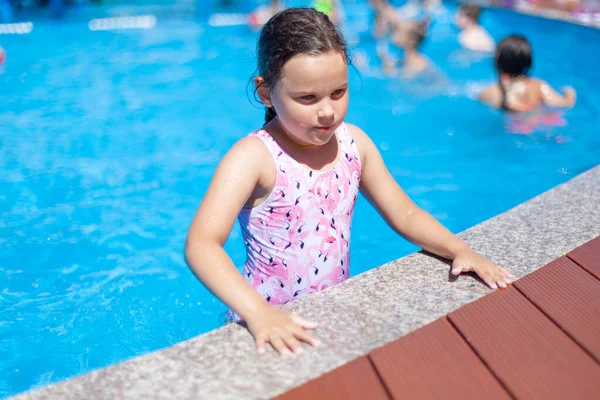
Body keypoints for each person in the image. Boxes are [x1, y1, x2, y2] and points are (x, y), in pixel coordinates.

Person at [185, 8, 513, 357]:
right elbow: (202, 244)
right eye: (307, 98)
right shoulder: (254, 157)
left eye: (338, 92)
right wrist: (258, 312)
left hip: (331, 317)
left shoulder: (355, 145)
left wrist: (458, 249)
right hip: (263, 324)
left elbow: (404, 213)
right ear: (266, 93)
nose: (327, 111)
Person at [479, 35, 576, 112]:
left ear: (497, 62)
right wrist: (570, 94)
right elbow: (564, 104)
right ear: (528, 62)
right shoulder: (539, 86)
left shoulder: (488, 93)